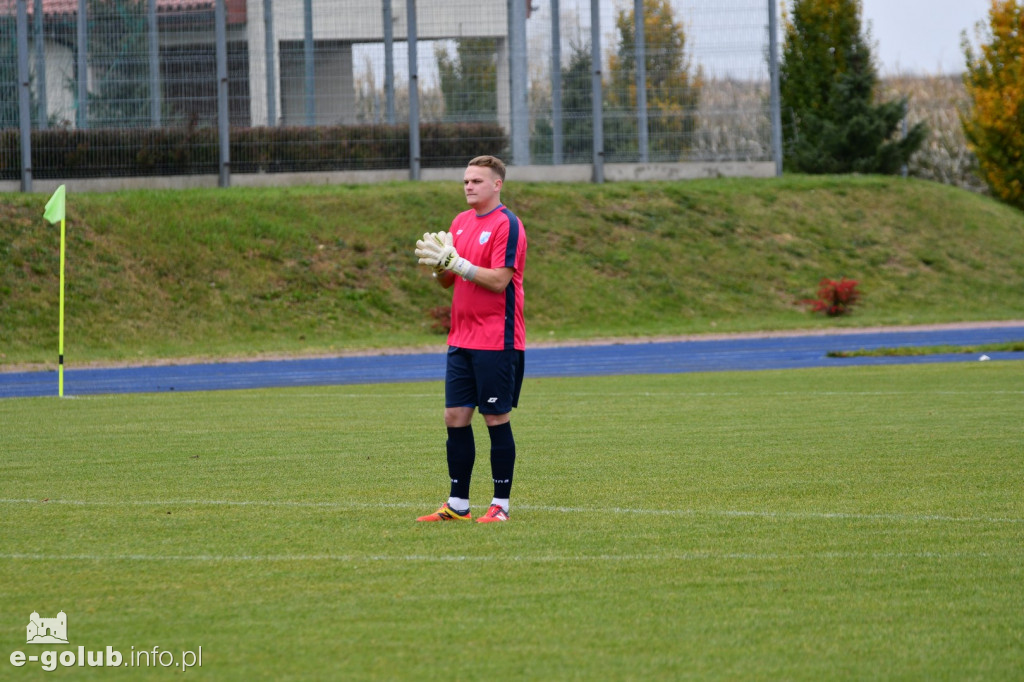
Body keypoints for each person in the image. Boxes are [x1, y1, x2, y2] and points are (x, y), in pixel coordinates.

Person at [413, 155, 527, 523]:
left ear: (497, 185)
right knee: (454, 417)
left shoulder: (507, 224)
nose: (468, 186)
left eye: (477, 180)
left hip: (497, 338)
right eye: (465, 180)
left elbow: (498, 280)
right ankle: (458, 504)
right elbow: (449, 281)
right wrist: (439, 266)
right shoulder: (460, 222)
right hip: (461, 337)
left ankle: (501, 505)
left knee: (495, 418)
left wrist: (457, 263)